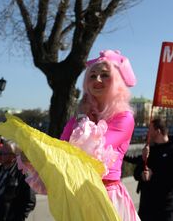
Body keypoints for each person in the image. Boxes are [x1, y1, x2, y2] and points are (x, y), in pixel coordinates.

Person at [59, 49, 140, 220]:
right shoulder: (77, 119)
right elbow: (61, 150)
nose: (97, 79)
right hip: (78, 196)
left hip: (106, 198)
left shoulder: (124, 118)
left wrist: (82, 116)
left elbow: (90, 150)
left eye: (104, 75)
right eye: (92, 75)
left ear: (116, 81)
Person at [135, 117, 173, 221]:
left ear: (158, 131)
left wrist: (153, 175)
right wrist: (142, 173)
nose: (147, 132)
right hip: (146, 208)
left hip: (165, 209)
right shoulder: (149, 149)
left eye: (150, 129)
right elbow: (136, 173)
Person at [0, 140, 36, 221]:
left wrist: (18, 217)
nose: (0, 155)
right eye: (0, 152)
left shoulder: (22, 174)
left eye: (3, 153)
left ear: (14, 156)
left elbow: (30, 201)